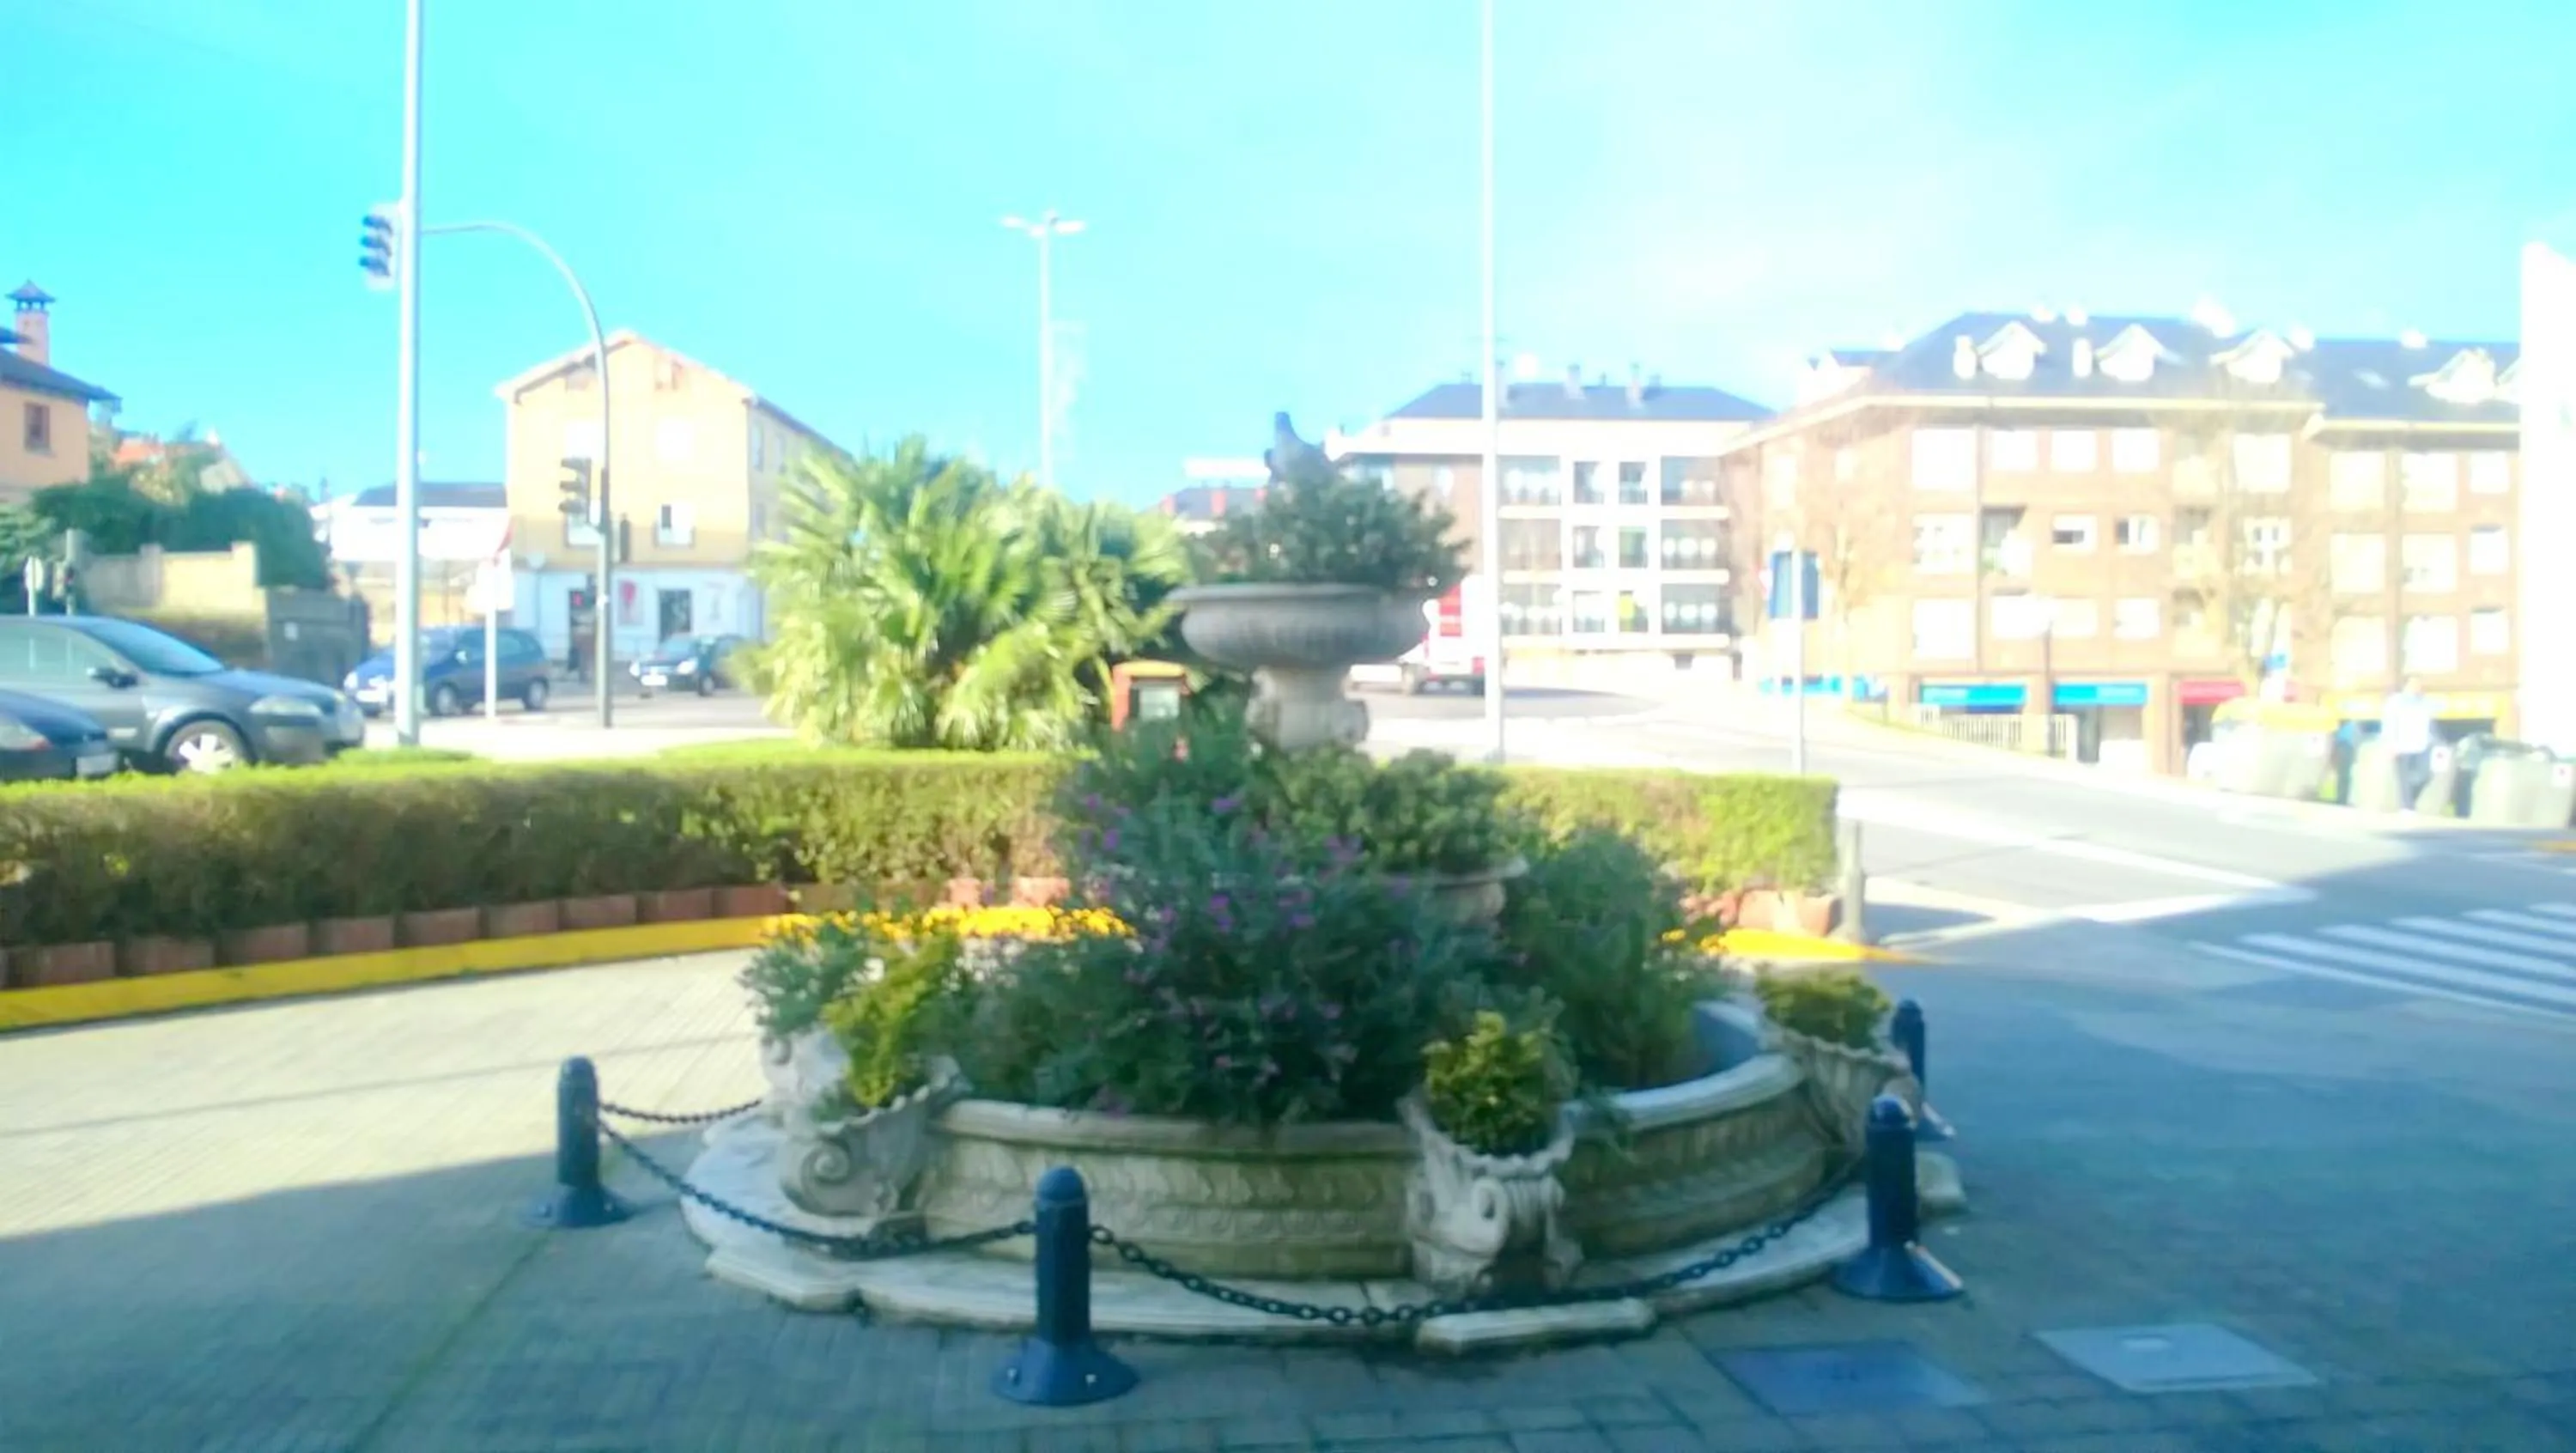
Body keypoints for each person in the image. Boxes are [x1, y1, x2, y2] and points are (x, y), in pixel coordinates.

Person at [2381, 677, 2437, 813]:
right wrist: (2390, 744)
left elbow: (2430, 722)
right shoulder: (2395, 701)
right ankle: (2407, 806)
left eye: (2419, 684)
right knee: (2404, 779)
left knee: (2425, 775)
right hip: (2401, 746)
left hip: (2422, 745)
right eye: (2414, 684)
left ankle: (2410, 800)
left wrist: (2433, 740)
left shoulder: (2425, 702)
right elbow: (2389, 723)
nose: (2417, 687)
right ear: (2406, 686)